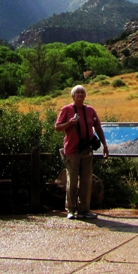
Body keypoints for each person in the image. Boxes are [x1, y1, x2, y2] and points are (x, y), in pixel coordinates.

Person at [55, 84, 108, 219]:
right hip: (72, 150)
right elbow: (57, 127)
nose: (80, 95)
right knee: (72, 180)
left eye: (82, 93)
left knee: (86, 180)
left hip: (87, 150)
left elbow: (98, 127)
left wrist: (104, 144)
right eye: (77, 93)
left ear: (85, 96)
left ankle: (84, 209)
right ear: (72, 96)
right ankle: (71, 209)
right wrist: (70, 123)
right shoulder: (66, 110)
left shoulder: (90, 110)